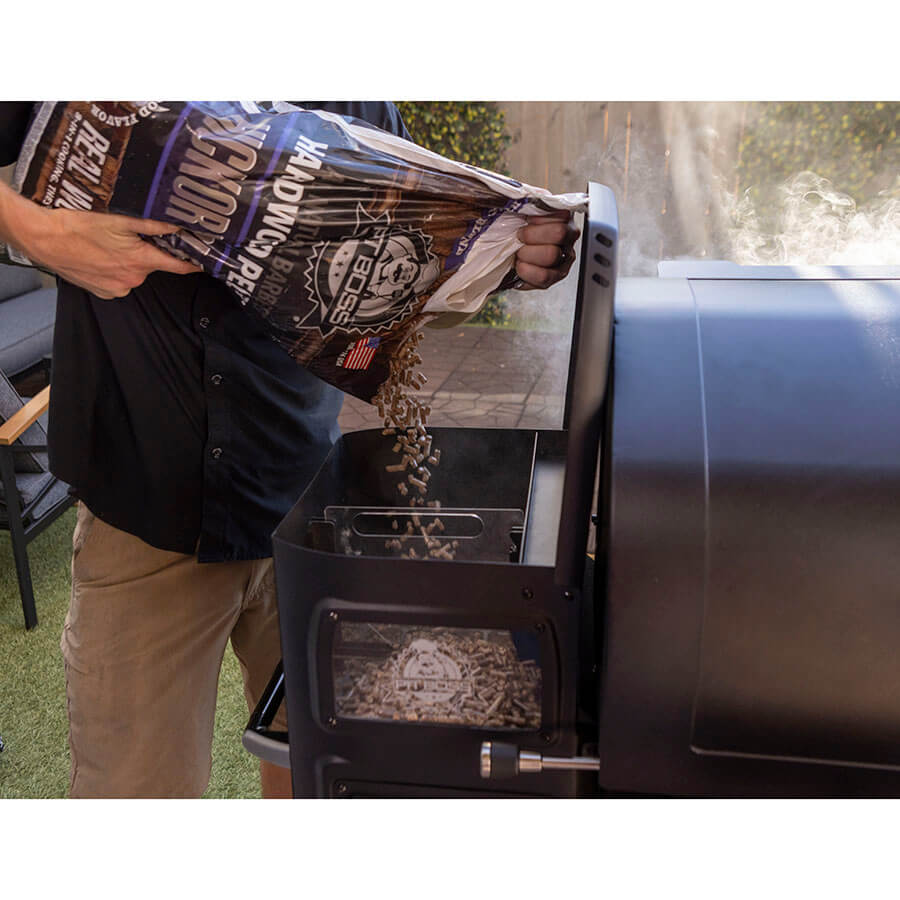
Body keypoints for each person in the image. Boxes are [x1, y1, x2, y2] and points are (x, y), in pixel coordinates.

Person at [0, 100, 578, 798]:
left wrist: (511, 256)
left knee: (321, 781)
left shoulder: (355, 99)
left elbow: (417, 262)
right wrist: (37, 231)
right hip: (141, 517)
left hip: (301, 516)